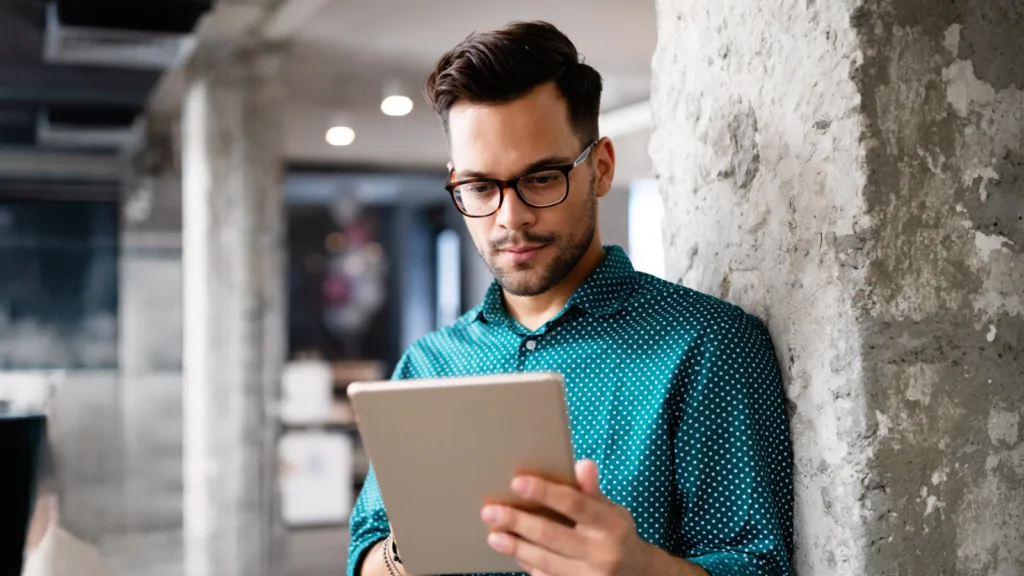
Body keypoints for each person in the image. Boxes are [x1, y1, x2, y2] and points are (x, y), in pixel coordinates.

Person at [348, 20, 793, 576]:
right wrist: (406, 552)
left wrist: (643, 569)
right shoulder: (429, 364)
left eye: (540, 179)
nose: (510, 219)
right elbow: (366, 545)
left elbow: (759, 564)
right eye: (481, 187)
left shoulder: (707, 346)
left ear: (600, 168)